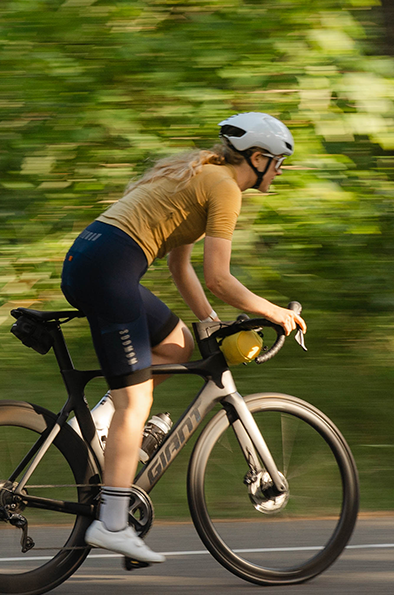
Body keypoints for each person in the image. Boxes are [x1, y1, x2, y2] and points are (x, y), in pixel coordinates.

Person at [59, 112, 308, 563]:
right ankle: (112, 523)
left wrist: (208, 321)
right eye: (277, 162)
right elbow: (220, 277)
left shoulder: (203, 176)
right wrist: (274, 312)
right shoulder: (225, 188)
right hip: (110, 271)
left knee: (177, 343)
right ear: (256, 158)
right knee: (135, 403)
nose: (280, 170)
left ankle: (94, 427)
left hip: (94, 260)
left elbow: (180, 267)